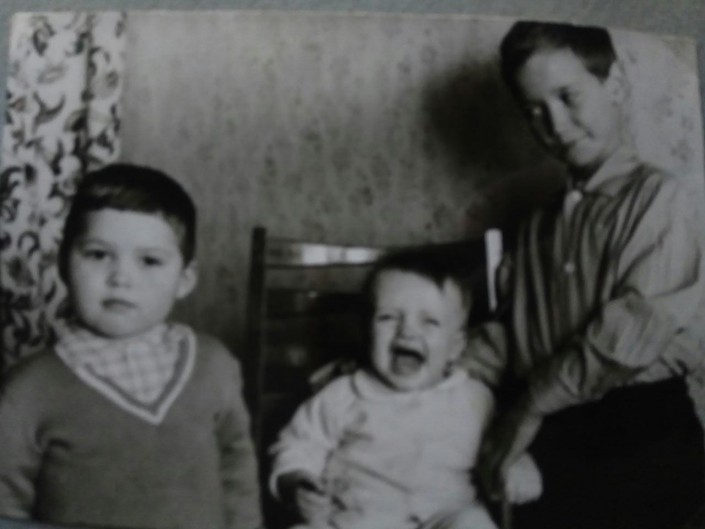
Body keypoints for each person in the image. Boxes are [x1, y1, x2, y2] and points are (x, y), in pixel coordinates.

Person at [463, 21, 705, 529]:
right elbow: (514, 336)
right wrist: (423, 367)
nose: (554, 123)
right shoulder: (538, 223)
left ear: (614, 85)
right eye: (533, 110)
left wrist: (528, 408)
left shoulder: (661, 200)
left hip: (641, 427)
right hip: (555, 427)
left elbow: (628, 335)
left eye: (568, 96)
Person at [0, 164, 263, 529]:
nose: (121, 277)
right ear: (63, 264)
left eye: (149, 261)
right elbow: (6, 506)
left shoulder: (214, 365)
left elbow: (237, 477)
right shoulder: (28, 388)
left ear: (184, 279)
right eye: (98, 254)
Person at [269, 248, 541, 529]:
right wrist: (296, 481)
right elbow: (300, 444)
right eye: (388, 317)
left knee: (472, 522)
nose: (407, 332)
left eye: (429, 321)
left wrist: (516, 462)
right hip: (355, 520)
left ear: (455, 347)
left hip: (442, 518)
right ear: (367, 332)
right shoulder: (344, 394)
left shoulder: (475, 399)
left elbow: (502, 442)